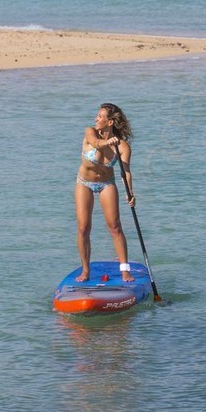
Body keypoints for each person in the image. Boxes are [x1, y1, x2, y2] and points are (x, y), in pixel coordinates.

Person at [74, 102, 135, 283]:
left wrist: (130, 193)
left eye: (100, 117)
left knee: (115, 226)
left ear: (110, 122)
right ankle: (86, 270)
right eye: (97, 116)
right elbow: (96, 143)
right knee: (83, 227)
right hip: (84, 183)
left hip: (106, 183)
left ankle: (124, 270)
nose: (96, 119)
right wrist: (107, 142)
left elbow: (126, 172)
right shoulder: (90, 132)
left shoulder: (122, 146)